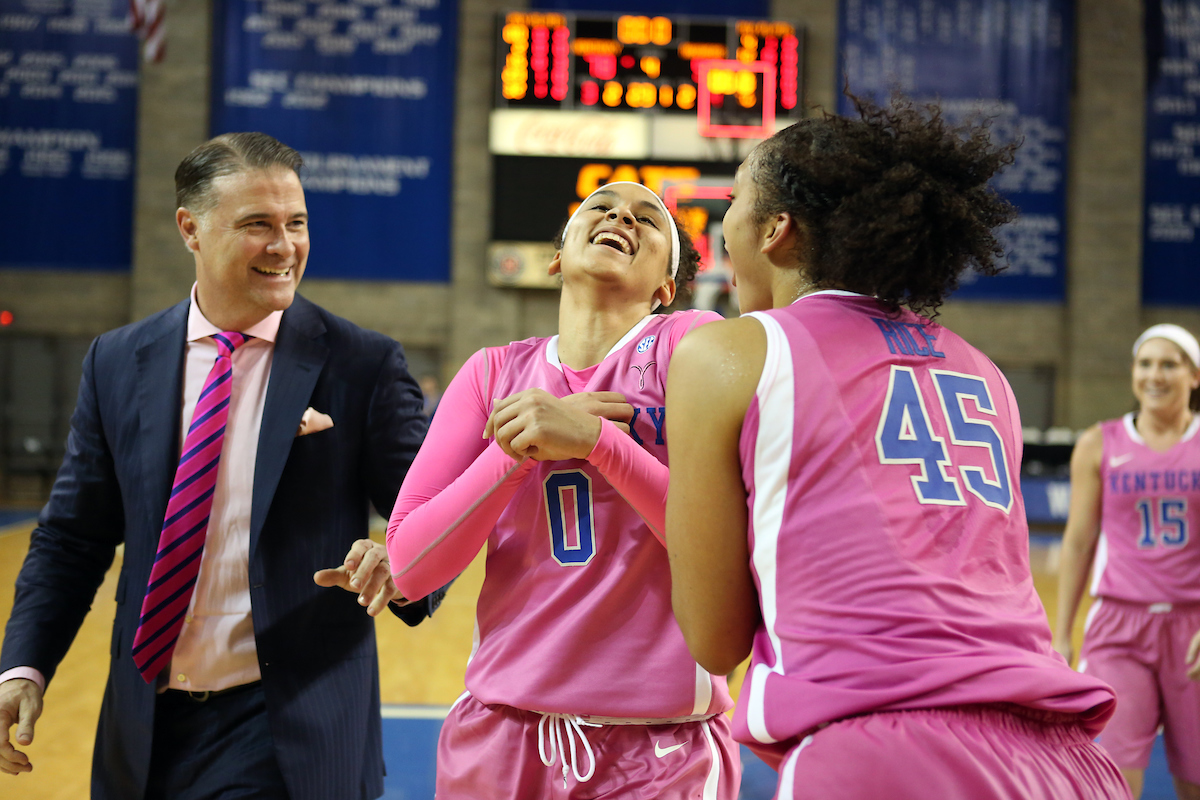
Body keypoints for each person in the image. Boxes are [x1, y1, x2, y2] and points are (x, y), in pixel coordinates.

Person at [664, 98, 1129, 799]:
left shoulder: (726, 353)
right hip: (1065, 763)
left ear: (776, 230)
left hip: (880, 748)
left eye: (734, 199)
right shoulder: (983, 370)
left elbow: (715, 639)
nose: (723, 221)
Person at [0, 132, 445, 800]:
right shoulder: (118, 361)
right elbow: (72, 536)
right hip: (146, 728)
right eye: (257, 225)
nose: (284, 245)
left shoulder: (363, 364)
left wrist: (400, 564)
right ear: (191, 229)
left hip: (288, 728)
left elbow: (430, 516)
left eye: (296, 224)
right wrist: (23, 669)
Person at [386, 181, 741, 798]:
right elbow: (412, 566)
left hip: (657, 747)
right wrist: (516, 450)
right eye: (600, 209)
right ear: (557, 257)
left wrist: (598, 442)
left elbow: (721, 544)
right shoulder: (492, 372)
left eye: (648, 219)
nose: (621, 216)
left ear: (666, 287)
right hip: (501, 732)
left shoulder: (691, 343)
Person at [1055, 323, 1200, 800]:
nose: (1154, 375)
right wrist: (1060, 635)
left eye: (1169, 364)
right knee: (1110, 783)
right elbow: (1078, 543)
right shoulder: (1099, 444)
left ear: (1194, 376)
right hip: (1119, 627)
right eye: (1145, 364)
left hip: (1193, 630)